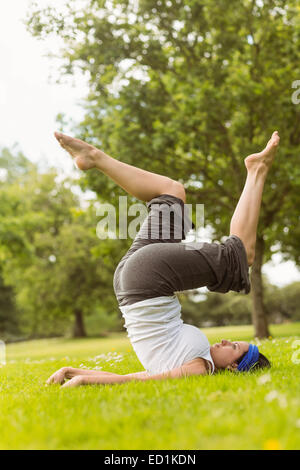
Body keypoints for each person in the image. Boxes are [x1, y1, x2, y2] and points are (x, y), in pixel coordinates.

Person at [46, 130, 279, 388]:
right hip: (133, 282)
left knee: (241, 255)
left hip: (147, 279)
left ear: (235, 367)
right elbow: (138, 377)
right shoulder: (194, 361)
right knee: (171, 193)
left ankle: (257, 170)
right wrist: (70, 371)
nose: (226, 341)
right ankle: (94, 157)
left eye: (234, 347)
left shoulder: (199, 369)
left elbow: (132, 380)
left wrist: (83, 381)